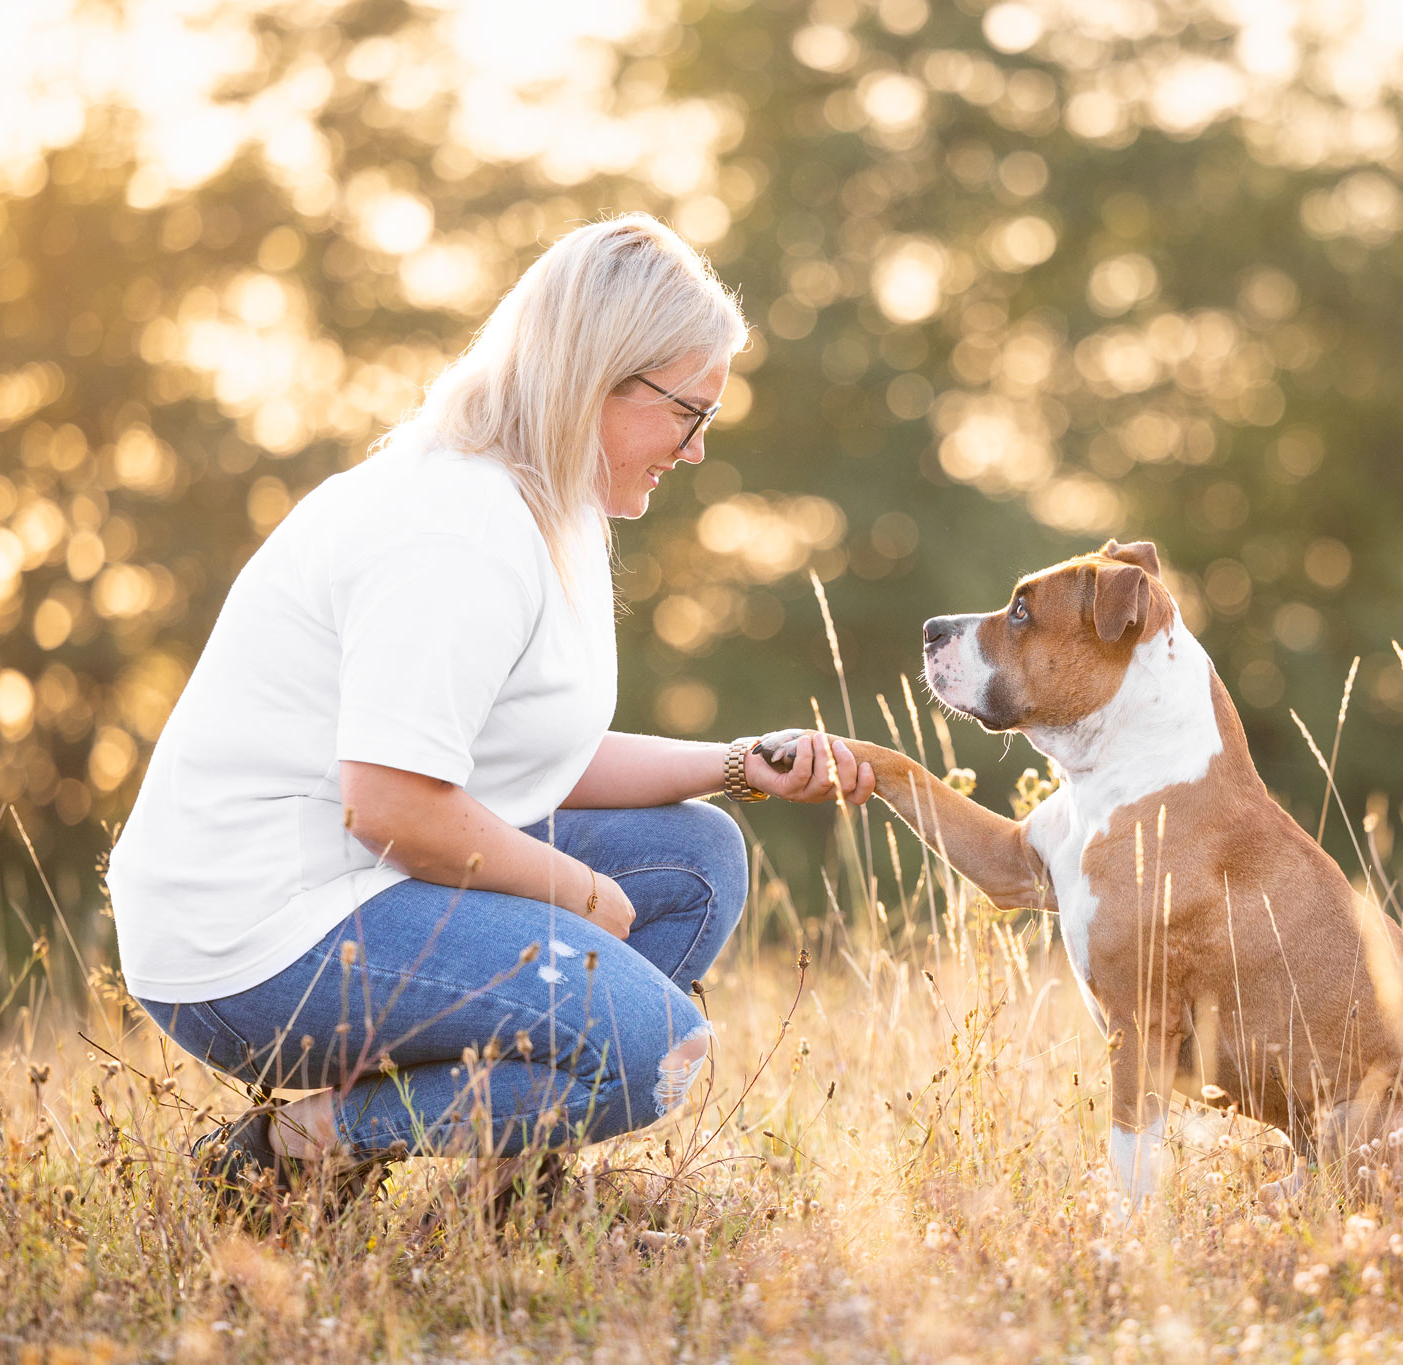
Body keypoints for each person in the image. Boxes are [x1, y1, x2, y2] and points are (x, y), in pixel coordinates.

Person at [104, 214, 874, 1217]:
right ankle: (289, 1151)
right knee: (656, 1055)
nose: (693, 453)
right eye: (690, 413)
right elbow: (394, 807)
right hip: (255, 937)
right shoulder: (454, 528)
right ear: (600, 377)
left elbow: (527, 757)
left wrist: (732, 762)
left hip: (355, 884)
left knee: (696, 858)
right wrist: (581, 892)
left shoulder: (553, 508)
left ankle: (504, 1196)